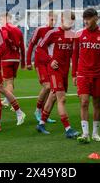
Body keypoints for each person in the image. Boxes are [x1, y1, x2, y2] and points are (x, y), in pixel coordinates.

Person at [72, 8, 100, 143]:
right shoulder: (78, 34)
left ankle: (95, 133)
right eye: (84, 19)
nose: (86, 21)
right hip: (83, 73)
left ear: (96, 18)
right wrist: (74, 74)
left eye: (89, 18)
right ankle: (85, 133)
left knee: (97, 104)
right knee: (84, 102)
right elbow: (74, 55)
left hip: (99, 74)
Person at [36, 11, 79, 139]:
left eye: (72, 20)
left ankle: (41, 124)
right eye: (67, 20)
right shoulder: (52, 33)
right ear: (61, 19)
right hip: (54, 71)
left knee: (53, 97)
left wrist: (74, 73)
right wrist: (50, 60)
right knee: (62, 98)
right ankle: (68, 129)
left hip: (65, 71)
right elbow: (39, 48)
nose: (70, 23)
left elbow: (74, 55)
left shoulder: (73, 35)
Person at [26, 11, 57, 123]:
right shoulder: (40, 30)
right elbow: (31, 45)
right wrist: (28, 61)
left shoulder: (56, 32)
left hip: (50, 62)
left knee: (52, 89)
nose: (53, 21)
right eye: (52, 19)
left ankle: (45, 114)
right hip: (40, 62)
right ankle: (38, 110)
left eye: (55, 19)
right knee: (47, 86)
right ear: (47, 18)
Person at [0, 12, 25, 109]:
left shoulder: (4, 27)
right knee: (11, 81)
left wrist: (11, 44)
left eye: (1, 19)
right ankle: (9, 100)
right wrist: (23, 62)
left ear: (6, 18)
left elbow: (5, 38)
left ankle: (7, 100)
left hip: (6, 58)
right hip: (16, 59)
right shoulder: (18, 30)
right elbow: (22, 47)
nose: (1, 21)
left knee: (8, 81)